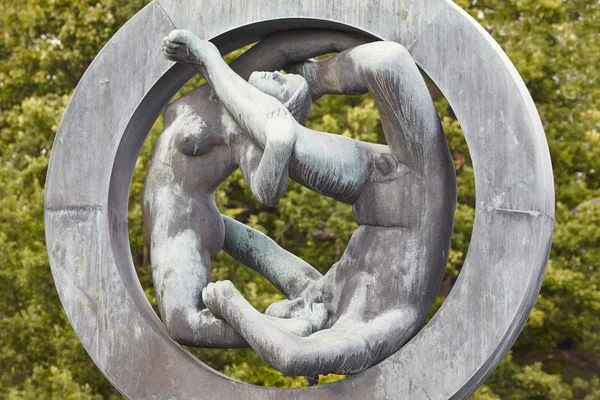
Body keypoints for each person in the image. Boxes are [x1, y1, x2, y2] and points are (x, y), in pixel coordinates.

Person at [158, 29, 457, 379]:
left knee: (288, 140)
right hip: (418, 188)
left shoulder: (319, 296)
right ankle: (278, 75)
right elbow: (293, 357)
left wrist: (189, 210)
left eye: (282, 309)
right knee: (388, 62)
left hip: (379, 187)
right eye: (288, 313)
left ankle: (229, 67)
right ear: (306, 326)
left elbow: (261, 251)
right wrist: (231, 304)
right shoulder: (374, 327)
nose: (287, 305)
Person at [143, 30, 367, 349]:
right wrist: (356, 42)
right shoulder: (227, 79)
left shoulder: (243, 137)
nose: (278, 73)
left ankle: (291, 331)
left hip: (184, 225)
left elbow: (267, 193)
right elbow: (282, 45)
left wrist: (278, 142)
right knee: (259, 252)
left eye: (281, 82)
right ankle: (307, 305)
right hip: (174, 220)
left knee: (184, 324)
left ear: (275, 104)